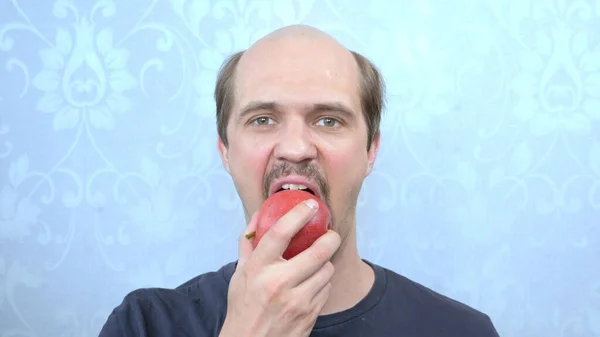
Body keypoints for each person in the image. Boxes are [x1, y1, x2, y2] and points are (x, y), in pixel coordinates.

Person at [98, 24, 500, 337]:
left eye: (329, 120)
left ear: (370, 152)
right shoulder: (145, 325)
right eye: (263, 119)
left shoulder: (461, 331)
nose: (294, 148)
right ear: (225, 151)